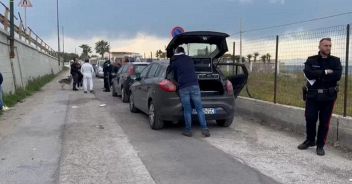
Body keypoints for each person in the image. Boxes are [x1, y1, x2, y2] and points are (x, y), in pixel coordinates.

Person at [298, 38, 342, 156]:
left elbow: (337, 76)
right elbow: (308, 73)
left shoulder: (335, 61)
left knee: (324, 122)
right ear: (319, 46)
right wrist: (325, 72)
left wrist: (317, 74)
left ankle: (320, 145)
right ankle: (310, 140)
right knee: (310, 118)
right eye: (325, 45)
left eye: (330, 46)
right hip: (312, 95)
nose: (328, 48)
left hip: (328, 96)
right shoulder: (311, 60)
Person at [170, 47, 210, 137]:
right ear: (184, 52)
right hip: (194, 85)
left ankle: (188, 130)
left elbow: (172, 72)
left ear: (176, 52)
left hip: (183, 87)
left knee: (187, 110)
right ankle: (205, 130)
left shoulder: (175, 61)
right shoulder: (190, 59)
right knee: (199, 108)